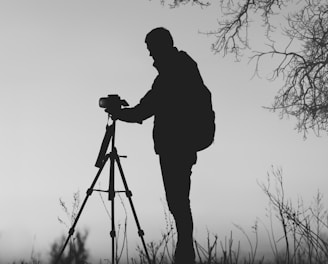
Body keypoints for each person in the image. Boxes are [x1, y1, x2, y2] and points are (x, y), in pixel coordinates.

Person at [111, 27, 209, 264]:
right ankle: (184, 254)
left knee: (178, 203)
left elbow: (145, 109)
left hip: (177, 146)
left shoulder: (173, 73)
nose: (150, 55)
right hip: (179, 145)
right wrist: (125, 113)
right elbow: (147, 106)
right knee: (179, 203)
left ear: (162, 46)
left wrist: (119, 114)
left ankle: (184, 256)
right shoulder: (181, 69)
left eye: (151, 49)